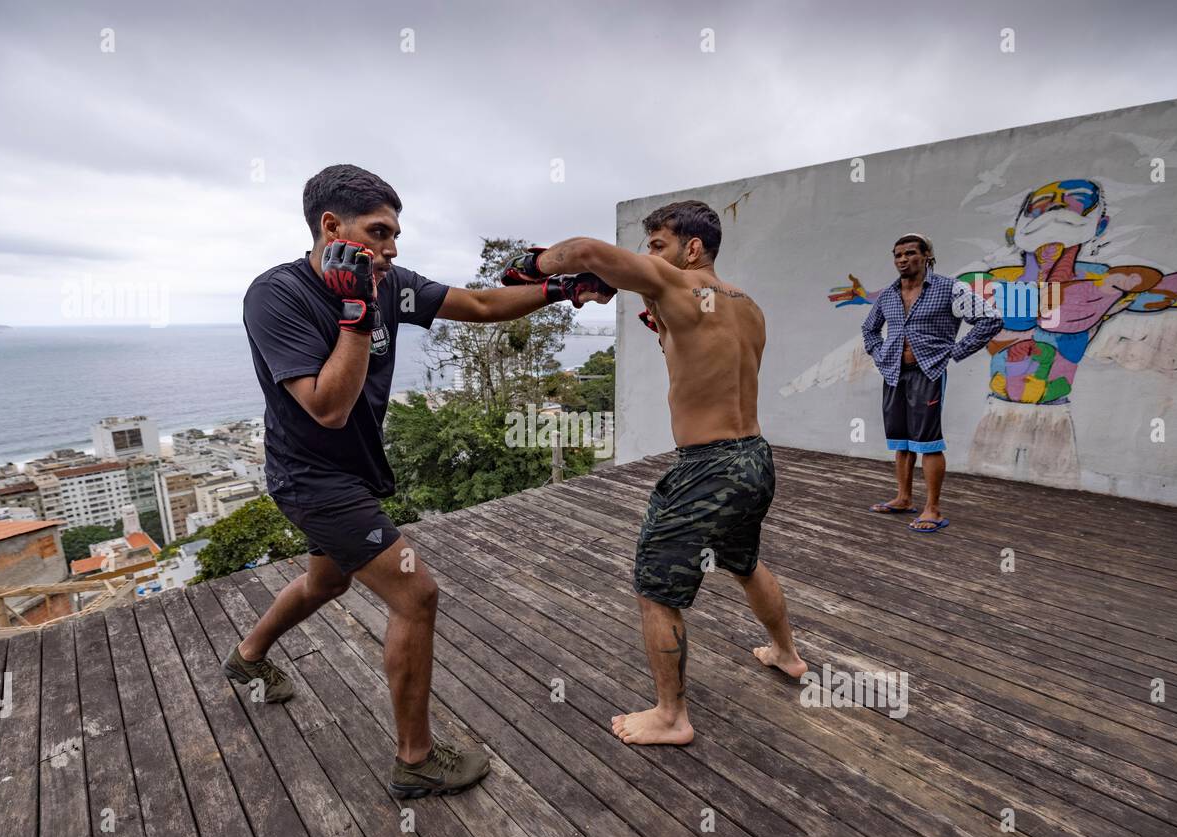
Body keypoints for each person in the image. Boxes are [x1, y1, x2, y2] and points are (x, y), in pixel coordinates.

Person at [234, 164, 612, 797]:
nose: (392, 247)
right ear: (332, 227)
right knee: (417, 594)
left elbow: (483, 304)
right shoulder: (277, 296)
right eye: (379, 232)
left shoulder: (391, 286)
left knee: (325, 582)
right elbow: (326, 406)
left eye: (395, 234)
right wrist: (355, 312)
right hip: (311, 478)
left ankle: (244, 659)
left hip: (351, 473)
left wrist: (562, 290)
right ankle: (415, 761)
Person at [505, 201, 806, 747]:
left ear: (692, 249)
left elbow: (588, 252)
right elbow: (705, 356)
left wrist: (532, 267)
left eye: (658, 246)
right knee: (743, 561)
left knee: (655, 587)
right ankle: (786, 653)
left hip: (707, 467)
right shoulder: (748, 306)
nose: (650, 258)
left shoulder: (679, 284)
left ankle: (672, 716)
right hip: (755, 457)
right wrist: (662, 322)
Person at [860, 233, 1002, 532]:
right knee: (901, 441)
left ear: (927, 256)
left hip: (928, 372)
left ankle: (932, 509)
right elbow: (869, 328)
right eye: (897, 255)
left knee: (928, 442)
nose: (902, 260)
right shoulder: (889, 294)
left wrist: (956, 351)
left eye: (910, 253)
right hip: (894, 373)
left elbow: (990, 318)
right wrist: (879, 353)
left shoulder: (950, 288)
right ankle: (903, 498)